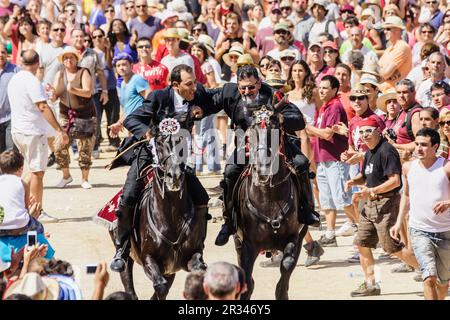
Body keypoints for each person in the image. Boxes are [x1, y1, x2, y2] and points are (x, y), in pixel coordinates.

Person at [110, 64, 211, 272]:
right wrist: (147, 132)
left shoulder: (196, 93)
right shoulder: (158, 97)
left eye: (194, 82)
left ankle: (198, 251)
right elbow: (132, 119)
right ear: (175, 85)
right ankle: (122, 248)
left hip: (178, 160)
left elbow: (216, 98)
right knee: (129, 195)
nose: (194, 87)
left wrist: (204, 109)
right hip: (150, 156)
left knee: (202, 197)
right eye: (189, 83)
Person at [210, 64, 319, 246]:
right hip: (246, 143)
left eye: (251, 87)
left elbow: (298, 120)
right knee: (229, 171)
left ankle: (307, 210)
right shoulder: (231, 95)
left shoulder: (274, 95)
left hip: (275, 143)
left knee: (301, 163)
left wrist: (282, 118)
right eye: (243, 87)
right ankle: (229, 221)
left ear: (259, 83)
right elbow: (207, 99)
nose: (247, 91)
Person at [345, 117, 419, 297]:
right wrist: (353, 181)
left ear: (379, 130)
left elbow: (394, 181)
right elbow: (367, 176)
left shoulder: (387, 151)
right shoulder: (369, 152)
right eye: (361, 132)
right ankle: (371, 284)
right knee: (361, 243)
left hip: (385, 204)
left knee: (392, 248)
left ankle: (433, 273)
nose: (364, 135)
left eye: (368, 131)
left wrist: (371, 191)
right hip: (370, 205)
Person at [390, 128, 450, 300]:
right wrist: (398, 221)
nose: (418, 149)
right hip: (419, 230)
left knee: (443, 282)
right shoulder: (408, 167)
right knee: (429, 277)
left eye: (424, 145)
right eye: (417, 144)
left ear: (435, 146)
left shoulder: (446, 167)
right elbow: (407, 195)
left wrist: (448, 202)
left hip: (446, 231)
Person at [7, 49, 68, 217]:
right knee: (38, 174)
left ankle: (14, 203)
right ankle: (35, 213)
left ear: (21, 61)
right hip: (32, 133)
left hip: (19, 131)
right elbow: (42, 107)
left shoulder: (15, 79)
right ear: (37, 63)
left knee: (31, 172)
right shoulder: (31, 81)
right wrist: (59, 130)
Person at [305, 75, 356, 247]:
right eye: (320, 87)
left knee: (341, 198)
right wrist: (313, 130)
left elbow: (326, 134)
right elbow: (319, 133)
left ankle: (365, 228)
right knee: (326, 199)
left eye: (326, 87)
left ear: (335, 90)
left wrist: (307, 126)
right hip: (323, 158)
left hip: (335, 159)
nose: (321, 90)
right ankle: (330, 233)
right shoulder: (324, 107)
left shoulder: (334, 106)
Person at [48, 47, 97, 190]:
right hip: (65, 115)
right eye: (66, 58)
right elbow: (56, 94)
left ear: (77, 59)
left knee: (85, 148)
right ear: (63, 61)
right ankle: (66, 176)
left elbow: (88, 92)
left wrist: (73, 89)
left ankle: (84, 179)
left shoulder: (83, 72)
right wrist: (52, 94)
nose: (68, 60)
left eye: (71, 57)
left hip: (85, 115)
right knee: (58, 146)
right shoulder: (60, 74)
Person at [108, 53, 150, 138]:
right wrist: (119, 123)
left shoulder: (137, 80)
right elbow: (128, 109)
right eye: (118, 65)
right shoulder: (123, 84)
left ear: (131, 65)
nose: (121, 68)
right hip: (133, 126)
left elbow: (150, 101)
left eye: (124, 64)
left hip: (144, 125)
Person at [378, 16, 412, 93]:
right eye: (384, 29)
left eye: (388, 29)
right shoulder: (389, 49)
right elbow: (378, 71)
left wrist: (380, 71)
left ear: (397, 30)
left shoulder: (402, 47)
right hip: (384, 91)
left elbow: (385, 74)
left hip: (395, 93)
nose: (384, 31)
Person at [0, 42, 19, 153]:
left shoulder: (16, 70)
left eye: (3, 52)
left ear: (7, 54)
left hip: (11, 118)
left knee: (11, 152)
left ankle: (10, 171)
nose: (0, 55)